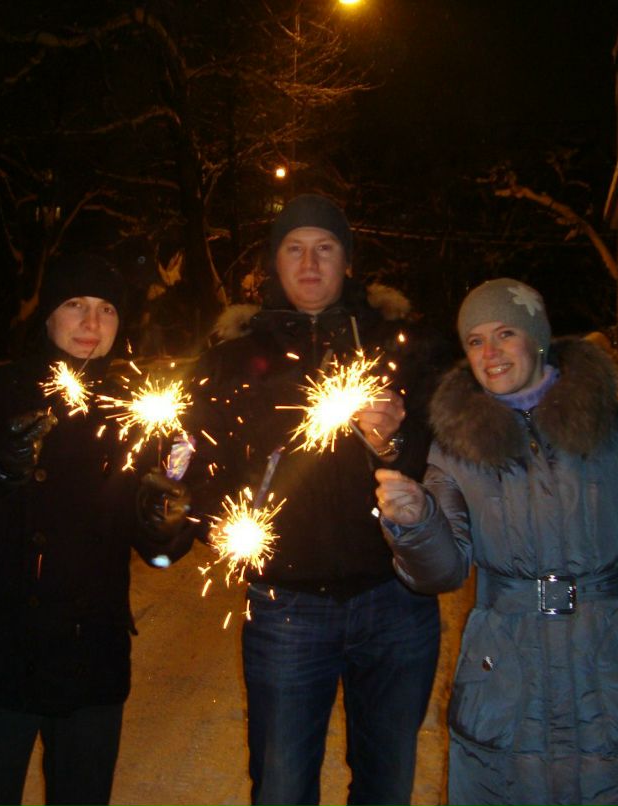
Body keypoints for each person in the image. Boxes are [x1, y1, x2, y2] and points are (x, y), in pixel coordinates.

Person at [375, 277, 618, 806]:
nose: (490, 352)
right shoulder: (455, 449)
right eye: (475, 340)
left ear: (537, 337)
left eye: (505, 333)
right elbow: (443, 571)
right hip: (504, 686)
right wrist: (415, 524)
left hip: (612, 680)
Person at [182, 194, 454, 805]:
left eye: (325, 248)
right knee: (280, 786)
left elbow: (446, 462)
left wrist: (396, 442)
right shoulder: (233, 359)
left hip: (395, 602)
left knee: (386, 786)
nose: (310, 263)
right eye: (294, 248)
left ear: (348, 261)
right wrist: (221, 520)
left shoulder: (399, 345)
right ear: (274, 262)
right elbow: (196, 470)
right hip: (286, 608)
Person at [0, 254, 193, 806]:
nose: (91, 323)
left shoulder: (141, 413)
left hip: (89, 657)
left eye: (107, 309)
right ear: (46, 315)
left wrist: (165, 527)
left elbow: (159, 552)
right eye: (75, 305)